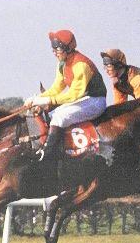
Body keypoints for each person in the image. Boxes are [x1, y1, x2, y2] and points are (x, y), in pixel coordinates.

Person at [25, 30, 107, 161]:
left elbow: (73, 94)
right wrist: (37, 99)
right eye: (53, 49)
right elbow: (57, 88)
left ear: (68, 48)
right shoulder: (61, 64)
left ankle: (47, 155)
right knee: (50, 115)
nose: (54, 52)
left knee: (59, 117)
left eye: (57, 49)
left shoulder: (81, 65)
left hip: (95, 101)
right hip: (83, 100)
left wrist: (46, 100)